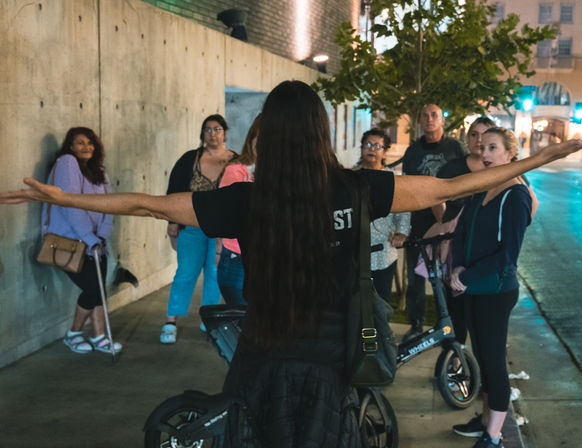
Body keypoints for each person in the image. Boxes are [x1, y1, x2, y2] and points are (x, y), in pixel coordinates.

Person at [2, 81, 581, 447]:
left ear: (267, 137)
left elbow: (146, 204)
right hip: (334, 362)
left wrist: (63, 197)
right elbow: (451, 184)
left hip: (264, 355)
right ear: (321, 133)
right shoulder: (359, 188)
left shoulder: (245, 199)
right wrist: (539, 157)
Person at [449, 127, 533, 448]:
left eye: (492, 148)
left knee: (494, 363)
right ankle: (484, 420)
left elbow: (508, 255)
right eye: (482, 147)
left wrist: (467, 276)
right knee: (482, 358)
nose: (484, 154)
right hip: (472, 287)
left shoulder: (517, 195)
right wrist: (457, 267)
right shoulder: (482, 188)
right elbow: (462, 231)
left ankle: (494, 437)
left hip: (496, 291)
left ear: (510, 153)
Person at [42, 127, 121, 354]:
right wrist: (89, 238)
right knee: (93, 290)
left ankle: (99, 337)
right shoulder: (67, 162)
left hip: (97, 242)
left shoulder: (98, 170)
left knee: (98, 291)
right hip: (73, 241)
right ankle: (74, 333)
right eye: (80, 143)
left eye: (90, 143)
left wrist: (102, 235)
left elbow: (109, 204)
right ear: (70, 147)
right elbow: (70, 204)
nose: (86, 147)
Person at [161, 114, 238, 344]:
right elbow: (174, 189)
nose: (212, 134)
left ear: (224, 132)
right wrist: (172, 220)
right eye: (208, 130)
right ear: (202, 133)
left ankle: (208, 319)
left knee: (215, 275)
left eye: (217, 129)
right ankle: (170, 320)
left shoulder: (235, 161)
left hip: (222, 229)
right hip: (192, 226)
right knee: (185, 272)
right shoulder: (190, 159)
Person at [402, 104, 466, 341]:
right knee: (416, 280)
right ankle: (416, 324)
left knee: (449, 279)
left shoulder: (455, 148)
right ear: (419, 120)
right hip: (419, 225)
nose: (429, 119)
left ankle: (449, 327)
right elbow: (407, 187)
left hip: (448, 227)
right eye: (425, 115)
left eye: (434, 115)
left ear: (442, 121)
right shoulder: (412, 151)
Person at [354, 129, 410, 303]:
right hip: (354, 254)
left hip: (384, 253)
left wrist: (401, 232)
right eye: (368, 145)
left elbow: (404, 209)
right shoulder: (349, 177)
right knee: (353, 305)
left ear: (385, 151)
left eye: (378, 146)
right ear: (362, 147)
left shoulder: (392, 179)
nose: (372, 149)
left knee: (380, 305)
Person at [215, 114, 260, 305]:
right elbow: (223, 213)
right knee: (243, 317)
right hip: (237, 256)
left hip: (268, 256)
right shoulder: (236, 171)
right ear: (252, 139)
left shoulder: (285, 173)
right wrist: (218, 251)